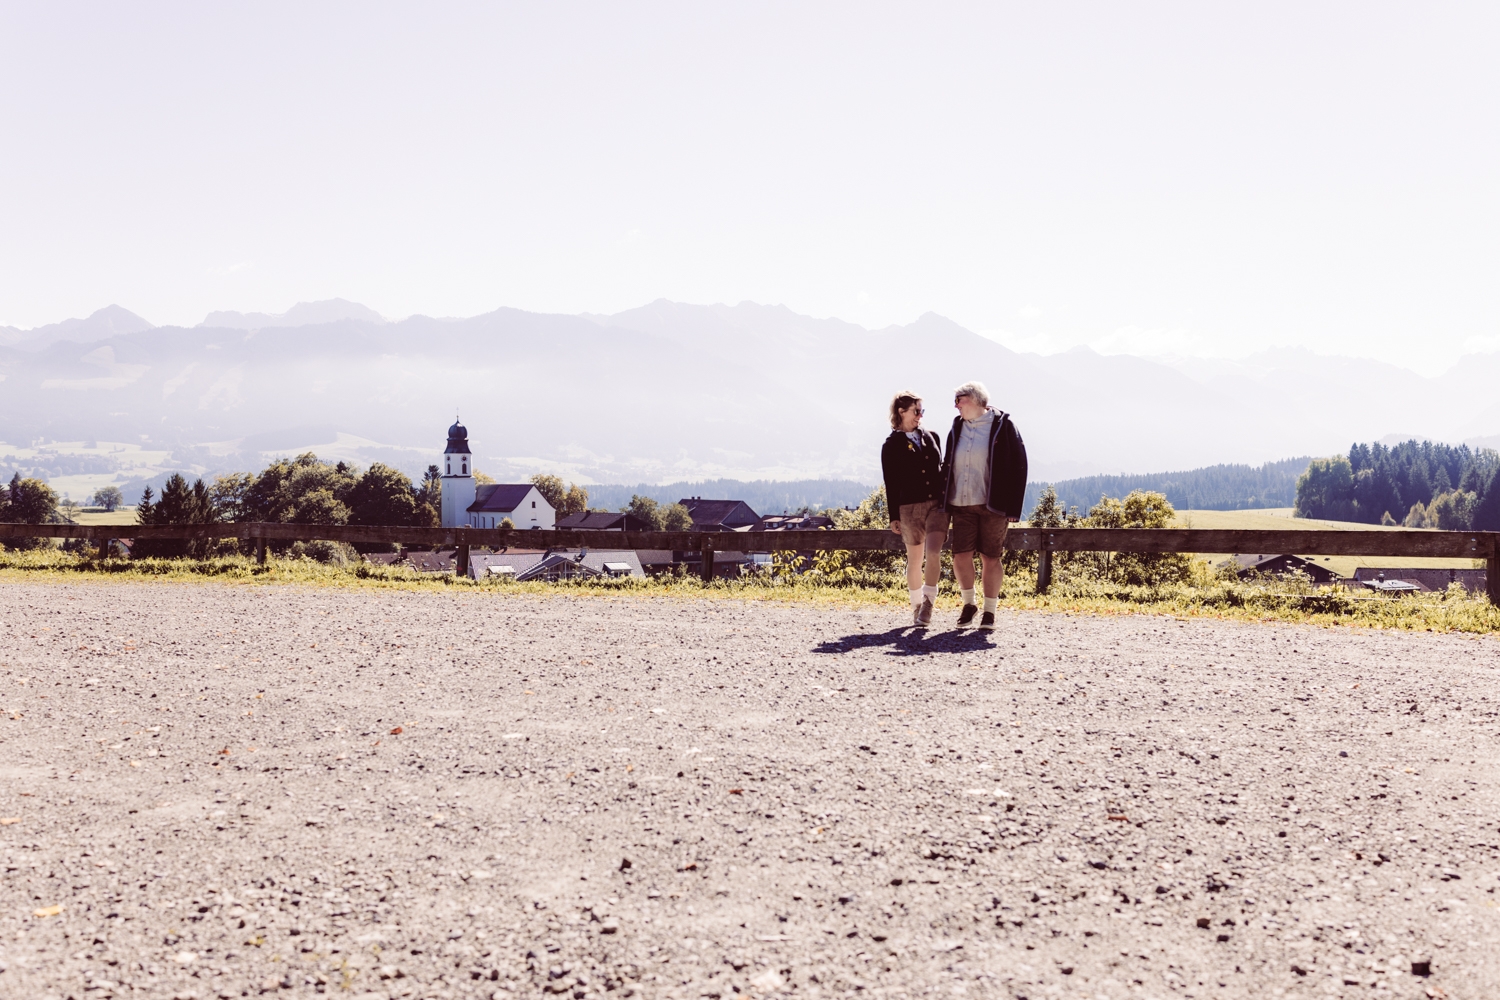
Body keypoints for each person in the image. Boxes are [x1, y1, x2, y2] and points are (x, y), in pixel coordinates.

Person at [942, 381, 1028, 629]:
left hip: (993, 505)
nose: (956, 405)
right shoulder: (957, 427)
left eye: (960, 399)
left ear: (977, 399)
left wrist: (1013, 507)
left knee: (990, 557)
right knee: (960, 556)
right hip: (961, 502)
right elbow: (948, 462)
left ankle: (989, 611)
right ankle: (969, 604)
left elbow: (1019, 465)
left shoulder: (1004, 425)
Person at [882, 390, 947, 626]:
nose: (920, 416)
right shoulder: (891, 445)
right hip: (908, 508)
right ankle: (916, 606)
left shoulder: (933, 437)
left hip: (936, 506)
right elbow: (891, 482)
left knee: (933, 553)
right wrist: (893, 516)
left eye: (922, 411)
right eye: (916, 411)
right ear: (901, 412)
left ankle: (929, 602)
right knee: (915, 559)